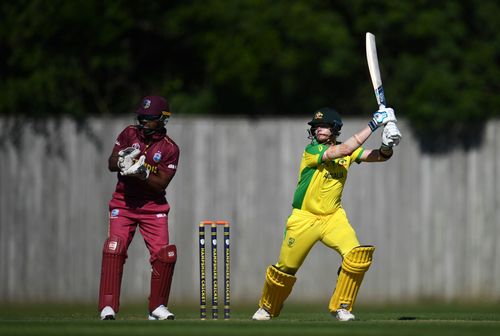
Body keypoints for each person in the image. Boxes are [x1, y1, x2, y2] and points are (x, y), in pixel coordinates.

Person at [252, 106, 401, 321]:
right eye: (316, 126)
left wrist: (387, 146)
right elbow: (341, 151)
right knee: (286, 268)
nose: (319, 130)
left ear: (335, 128)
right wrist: (374, 124)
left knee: (356, 256)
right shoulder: (312, 151)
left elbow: (378, 157)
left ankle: (342, 306)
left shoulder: (347, 151)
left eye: (324, 126)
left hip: (333, 217)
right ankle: (267, 307)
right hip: (304, 218)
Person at [98, 95, 180, 321]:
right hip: (123, 203)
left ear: (163, 119)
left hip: (154, 208)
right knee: (114, 249)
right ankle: (108, 306)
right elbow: (111, 163)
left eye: (150, 119)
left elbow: (161, 183)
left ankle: (157, 307)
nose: (143, 123)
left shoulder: (170, 148)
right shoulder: (128, 134)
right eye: (141, 118)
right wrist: (122, 160)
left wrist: (142, 173)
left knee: (165, 255)